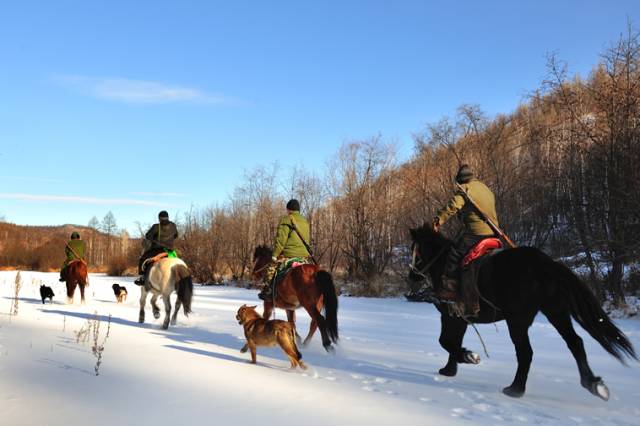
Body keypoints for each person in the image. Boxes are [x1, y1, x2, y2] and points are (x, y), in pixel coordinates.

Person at [432, 164, 498, 302]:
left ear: (460, 180)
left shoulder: (465, 189)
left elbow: (453, 206)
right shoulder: (486, 189)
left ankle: (450, 290)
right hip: (494, 233)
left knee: (454, 254)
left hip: (476, 233)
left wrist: (438, 220)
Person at [258, 199, 311, 300]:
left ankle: (269, 292)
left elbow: (281, 240)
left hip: (289, 255)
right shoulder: (305, 221)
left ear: (288, 209)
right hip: (304, 256)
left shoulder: (286, 220)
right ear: (298, 210)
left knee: (271, 269)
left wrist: (275, 255)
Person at [134, 210, 179, 286]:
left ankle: (143, 278)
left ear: (159, 218)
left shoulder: (156, 226)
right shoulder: (173, 225)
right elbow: (176, 235)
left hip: (158, 250)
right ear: (168, 217)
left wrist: (154, 240)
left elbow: (148, 236)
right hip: (170, 251)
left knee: (143, 259)